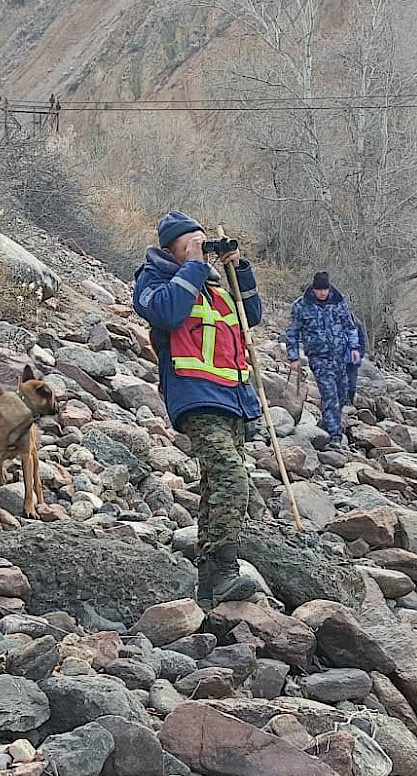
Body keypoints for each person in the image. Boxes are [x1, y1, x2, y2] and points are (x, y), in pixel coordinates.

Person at [132, 211, 261, 610]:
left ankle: (208, 585)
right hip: (195, 396)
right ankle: (224, 570)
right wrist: (190, 266)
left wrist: (240, 270)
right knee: (230, 476)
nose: (203, 249)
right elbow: (166, 314)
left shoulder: (217, 288)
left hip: (233, 397)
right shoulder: (155, 279)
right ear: (173, 248)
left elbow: (250, 316)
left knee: (215, 485)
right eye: (194, 242)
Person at [286, 272, 359, 444]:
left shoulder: (338, 301)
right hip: (318, 358)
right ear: (314, 289)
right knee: (329, 394)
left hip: (339, 356)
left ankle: (326, 424)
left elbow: (349, 326)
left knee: (342, 394)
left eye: (325, 290)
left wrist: (354, 347)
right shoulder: (302, 306)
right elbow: (292, 332)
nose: (323, 293)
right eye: (319, 290)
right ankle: (334, 436)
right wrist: (293, 357)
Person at [345, 314, 367, 404]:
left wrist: (360, 354)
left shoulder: (357, 324)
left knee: (352, 383)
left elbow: (362, 341)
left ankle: (350, 400)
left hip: (353, 360)